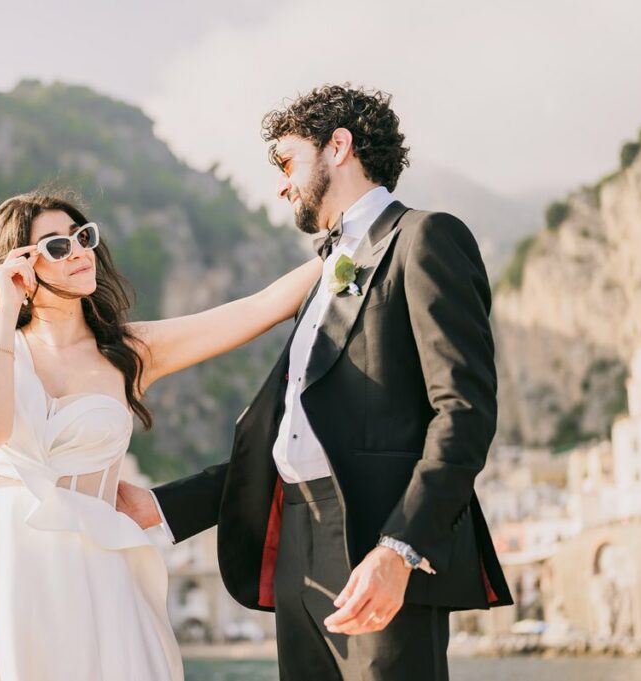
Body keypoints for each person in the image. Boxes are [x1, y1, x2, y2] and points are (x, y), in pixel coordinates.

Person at [117, 84, 514, 681]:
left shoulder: (426, 237)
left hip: (376, 541)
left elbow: (463, 411)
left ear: (339, 146)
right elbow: (292, 439)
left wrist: (401, 549)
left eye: (287, 162)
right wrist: (161, 507)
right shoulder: (320, 273)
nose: (281, 184)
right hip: (294, 548)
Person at [0, 190, 324, 681]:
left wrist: (350, 245)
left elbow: (261, 307)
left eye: (82, 237)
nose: (79, 251)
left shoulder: (130, 351)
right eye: (57, 247)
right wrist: (7, 311)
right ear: (22, 265)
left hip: (91, 560)